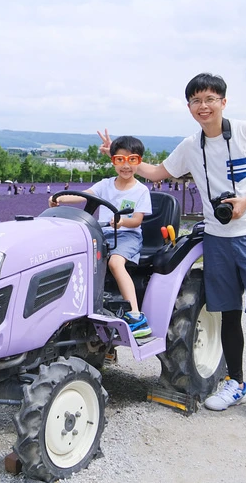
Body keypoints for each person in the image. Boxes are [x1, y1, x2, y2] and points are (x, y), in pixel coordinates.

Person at [98, 73, 246, 428]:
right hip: (216, 236)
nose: (203, 106)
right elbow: (155, 173)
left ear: (223, 102)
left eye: (210, 99)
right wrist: (120, 156)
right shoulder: (190, 146)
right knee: (227, 312)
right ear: (189, 107)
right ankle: (233, 382)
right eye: (196, 101)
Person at [50, 135, 153, 339]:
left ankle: (135, 314)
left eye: (132, 160)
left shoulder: (141, 191)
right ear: (113, 160)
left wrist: (123, 222)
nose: (126, 166)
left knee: (115, 262)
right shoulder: (105, 185)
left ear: (138, 161)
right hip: (103, 233)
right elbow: (82, 195)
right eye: (120, 160)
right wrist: (60, 198)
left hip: (127, 236)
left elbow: (137, 221)